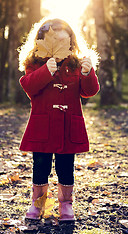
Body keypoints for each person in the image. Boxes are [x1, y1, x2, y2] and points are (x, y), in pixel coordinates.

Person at [18, 18, 100, 221]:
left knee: (65, 167)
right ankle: (38, 205)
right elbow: (29, 86)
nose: (59, 43)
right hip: (42, 126)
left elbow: (89, 91)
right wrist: (46, 71)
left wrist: (88, 73)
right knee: (40, 166)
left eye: (65, 40)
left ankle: (66, 204)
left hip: (67, 126)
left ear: (71, 42)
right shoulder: (35, 63)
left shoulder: (76, 64)